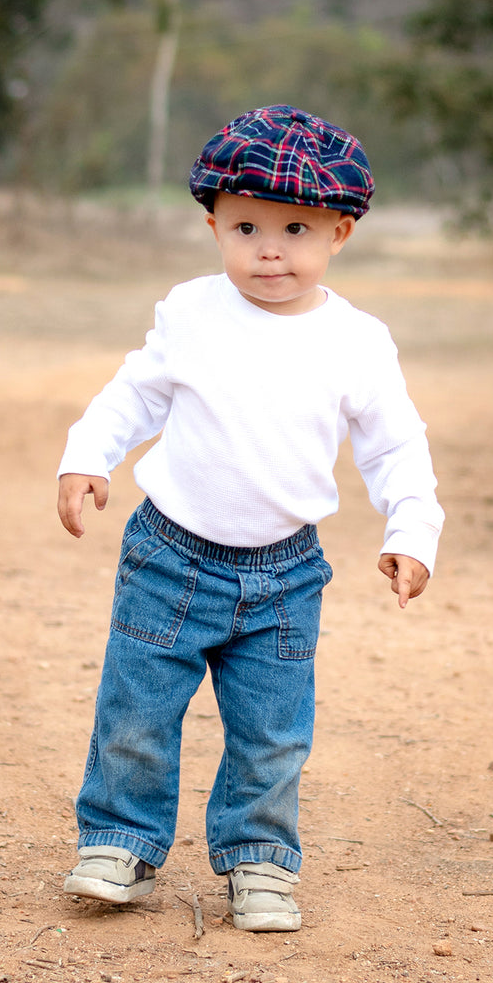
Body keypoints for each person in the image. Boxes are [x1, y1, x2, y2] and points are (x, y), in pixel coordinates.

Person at [56, 105, 444, 933]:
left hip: (284, 573)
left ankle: (259, 860)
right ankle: (118, 841)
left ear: (339, 232)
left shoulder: (356, 341)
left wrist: (411, 529)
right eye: (245, 228)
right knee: (136, 709)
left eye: (295, 228)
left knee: (272, 731)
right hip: (168, 556)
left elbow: (394, 446)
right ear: (213, 227)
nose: (269, 250)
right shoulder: (192, 311)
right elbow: (134, 394)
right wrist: (87, 454)